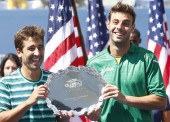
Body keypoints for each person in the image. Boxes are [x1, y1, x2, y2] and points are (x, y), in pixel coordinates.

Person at [86, 2, 167, 122]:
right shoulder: (93, 63)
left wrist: (125, 99)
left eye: (125, 23)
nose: (119, 27)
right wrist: (91, 111)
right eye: (115, 22)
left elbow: (161, 102)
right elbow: (88, 102)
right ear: (108, 24)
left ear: (132, 27)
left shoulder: (147, 58)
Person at [0, 25, 71, 122]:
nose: (37, 53)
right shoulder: (5, 83)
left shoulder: (55, 80)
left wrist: (64, 119)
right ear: (19, 52)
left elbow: (60, 119)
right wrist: (29, 102)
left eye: (40, 47)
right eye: (31, 48)